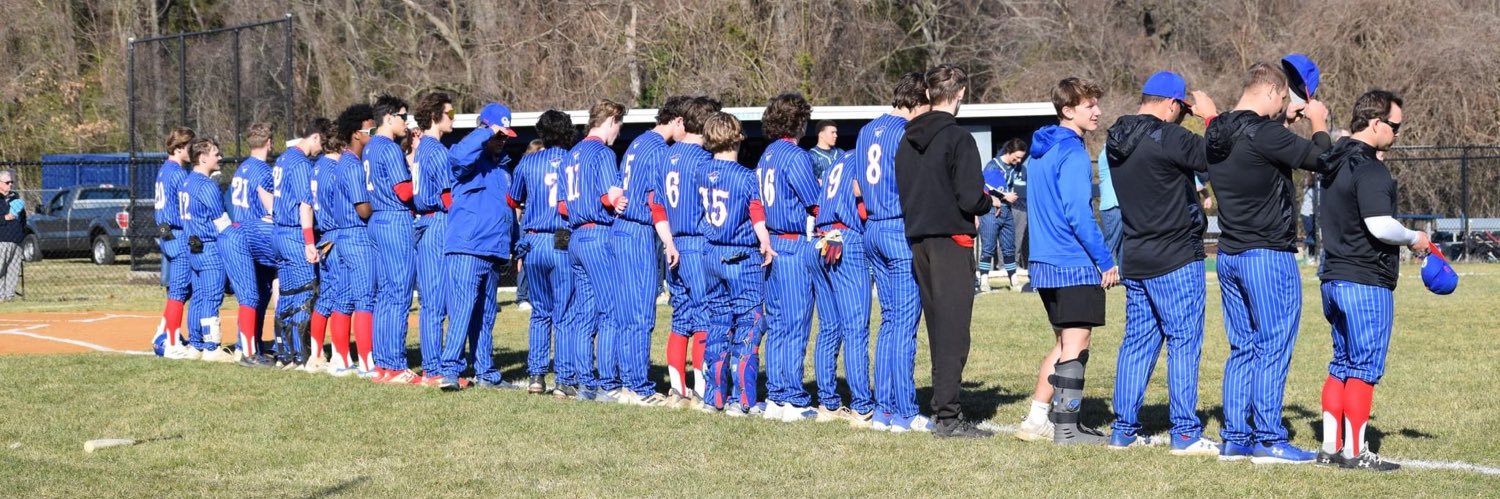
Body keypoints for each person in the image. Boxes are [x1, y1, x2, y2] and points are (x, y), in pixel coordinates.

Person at [1206, 61, 1332, 463]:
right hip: (1267, 255)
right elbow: (1322, 160)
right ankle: (1269, 436)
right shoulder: (1264, 131)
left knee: (1242, 347)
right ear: (1274, 91)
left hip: (1230, 254)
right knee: (1274, 345)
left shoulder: (1216, 130)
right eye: (1284, 100)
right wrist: (1319, 122)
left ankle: (1235, 436)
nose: (1285, 108)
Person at [1102, 71, 1222, 455]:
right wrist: (1211, 118)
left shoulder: (1114, 139)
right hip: (1176, 257)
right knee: (1184, 342)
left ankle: (1124, 428)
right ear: (1171, 104)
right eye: (1182, 111)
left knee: (1137, 342)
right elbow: (1217, 155)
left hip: (1136, 255)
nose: (1183, 117)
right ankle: (1185, 432)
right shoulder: (1169, 136)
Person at [1314, 90, 1418, 472]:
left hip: (1333, 278)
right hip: (1365, 281)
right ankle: (1355, 451)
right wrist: (1415, 238)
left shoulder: (1333, 161)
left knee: (1340, 363)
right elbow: (1380, 225)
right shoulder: (1370, 168)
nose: (1396, 134)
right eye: (1394, 126)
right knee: (1363, 368)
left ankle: (1330, 446)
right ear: (1376, 123)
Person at [894, 64, 994, 439]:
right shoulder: (958, 138)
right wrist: (986, 204)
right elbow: (970, 195)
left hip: (919, 239)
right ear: (960, 93)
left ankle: (942, 407)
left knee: (937, 327)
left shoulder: (905, 139)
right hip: (953, 239)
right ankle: (948, 417)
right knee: (954, 332)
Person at [1021, 77, 1118, 445]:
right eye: (1089, 105)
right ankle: (1067, 427)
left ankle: (1036, 419)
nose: (1097, 111)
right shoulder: (1073, 152)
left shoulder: (1041, 150)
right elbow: (1079, 212)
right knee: (1077, 344)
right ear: (1068, 110)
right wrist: (1105, 259)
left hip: (1044, 261)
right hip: (1071, 260)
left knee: (1064, 343)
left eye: (1096, 103)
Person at [853, 72, 930, 431]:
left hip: (872, 228)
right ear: (917, 102)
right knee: (904, 325)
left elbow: (857, 183)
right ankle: (905, 410)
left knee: (888, 323)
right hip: (899, 227)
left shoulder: (867, 130)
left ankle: (883, 408)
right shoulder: (907, 132)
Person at [436, 103, 520, 391]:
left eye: (505, 136)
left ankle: (486, 371)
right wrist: (485, 133)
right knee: (462, 310)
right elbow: (456, 157)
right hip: (467, 248)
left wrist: (513, 244)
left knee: (485, 315)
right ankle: (450, 370)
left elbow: (508, 211)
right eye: (499, 135)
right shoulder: (469, 161)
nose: (502, 140)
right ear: (484, 129)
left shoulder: (503, 169)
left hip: (493, 250)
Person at [697, 111, 776, 416]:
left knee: (718, 323)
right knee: (749, 323)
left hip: (711, 252)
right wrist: (765, 240)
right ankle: (743, 399)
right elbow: (755, 210)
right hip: (740, 254)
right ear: (738, 137)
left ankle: (714, 396)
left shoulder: (702, 172)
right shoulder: (744, 176)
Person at [613, 96, 688, 406]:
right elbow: (654, 199)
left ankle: (625, 379)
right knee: (642, 313)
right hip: (639, 229)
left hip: (620, 230)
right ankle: (639, 386)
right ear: (678, 121)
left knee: (626, 313)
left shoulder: (638, 141)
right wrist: (669, 238)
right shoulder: (660, 150)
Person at [556, 99, 630, 402]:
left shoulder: (571, 155)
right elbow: (609, 196)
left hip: (575, 237)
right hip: (598, 235)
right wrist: (622, 201)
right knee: (609, 310)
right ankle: (607, 383)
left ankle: (585, 382)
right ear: (611, 120)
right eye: (619, 125)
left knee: (583, 313)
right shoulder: (602, 152)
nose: (618, 133)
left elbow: (562, 207)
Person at [759, 92, 823, 423]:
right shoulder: (794, 155)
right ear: (799, 122)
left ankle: (776, 395)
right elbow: (815, 202)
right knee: (796, 324)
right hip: (792, 244)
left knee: (779, 325)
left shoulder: (767, 154)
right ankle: (794, 400)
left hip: (770, 244)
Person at [657, 96, 722, 407]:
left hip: (673, 241)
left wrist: (668, 242)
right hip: (697, 242)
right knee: (705, 315)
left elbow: (655, 205)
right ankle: (702, 387)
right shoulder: (704, 160)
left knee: (680, 316)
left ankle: (677, 387)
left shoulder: (668, 156)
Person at [510, 110, 577, 395]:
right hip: (562, 234)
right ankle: (563, 378)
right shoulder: (574, 160)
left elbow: (512, 198)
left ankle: (537, 376)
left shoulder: (528, 161)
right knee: (564, 310)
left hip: (535, 237)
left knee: (540, 311)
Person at [364, 94, 421, 384]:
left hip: (377, 219)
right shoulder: (387, 148)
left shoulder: (370, 147)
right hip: (394, 218)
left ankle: (384, 365)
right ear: (388, 117)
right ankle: (396, 365)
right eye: (402, 116)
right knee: (398, 295)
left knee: (385, 295)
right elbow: (404, 192)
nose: (406, 121)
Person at [321, 104, 379, 377]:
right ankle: (367, 362)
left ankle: (341, 359)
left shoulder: (341, 162)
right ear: (357, 133)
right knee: (365, 298)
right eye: (371, 129)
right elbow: (363, 209)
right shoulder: (352, 165)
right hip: (356, 235)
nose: (375, 133)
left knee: (342, 299)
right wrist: (380, 202)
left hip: (341, 236)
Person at [220, 123, 279, 367]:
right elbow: (271, 206)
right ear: (269, 143)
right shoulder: (263, 171)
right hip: (254, 236)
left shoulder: (242, 168)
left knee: (259, 293)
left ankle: (249, 343)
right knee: (252, 295)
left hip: (240, 231)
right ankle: (248, 349)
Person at [411, 92, 458, 386]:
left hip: (425, 222)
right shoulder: (437, 150)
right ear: (434, 116)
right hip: (438, 222)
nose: (452, 118)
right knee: (437, 300)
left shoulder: (421, 149)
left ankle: (432, 364)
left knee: (431, 299)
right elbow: (447, 196)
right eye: (449, 113)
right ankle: (435, 366)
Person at [270, 119, 326, 370]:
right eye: (321, 143)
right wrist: (309, 242)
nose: (321, 150)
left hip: (278, 233)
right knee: (305, 291)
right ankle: (303, 355)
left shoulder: (282, 159)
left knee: (287, 293)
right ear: (315, 137)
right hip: (294, 234)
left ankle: (284, 352)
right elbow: (306, 205)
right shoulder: (302, 164)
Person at [178, 137, 236, 363]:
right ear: (202, 158)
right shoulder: (206, 185)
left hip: (193, 247)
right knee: (211, 297)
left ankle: (196, 344)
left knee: (199, 297)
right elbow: (221, 222)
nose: (220, 157)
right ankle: (212, 347)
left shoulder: (187, 182)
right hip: (209, 246)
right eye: (215, 153)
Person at [154, 127, 197, 359]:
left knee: (179, 288)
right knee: (179, 290)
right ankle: (171, 343)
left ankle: (163, 332)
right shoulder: (179, 173)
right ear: (179, 147)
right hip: (178, 233)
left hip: (167, 233)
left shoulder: (164, 169)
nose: (193, 151)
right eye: (190, 146)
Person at [978, 139, 1026, 292]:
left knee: (1009, 247)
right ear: (1009, 151)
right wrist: (1004, 196)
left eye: (1021, 158)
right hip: (991, 211)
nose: (1018, 161)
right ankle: (984, 280)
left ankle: (1013, 280)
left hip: (1007, 211)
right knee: (988, 246)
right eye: (1016, 157)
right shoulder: (993, 166)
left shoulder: (1016, 168)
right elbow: (985, 188)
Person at [0, 170, 26, 301]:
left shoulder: (15, 199)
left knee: (13, 271)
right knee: (1, 269)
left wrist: (22, 234)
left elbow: (23, 219)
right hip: (2, 240)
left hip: (16, 240)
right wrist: (5, 217)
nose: (10, 185)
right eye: (7, 182)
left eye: (11, 182)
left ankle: (9, 297)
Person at [1096, 148, 1121, 267]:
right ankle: (1105, 271)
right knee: (1110, 245)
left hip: (1118, 204)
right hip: (1112, 205)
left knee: (1122, 246)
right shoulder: (1109, 150)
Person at [1301, 174, 1318, 263]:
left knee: (1313, 236)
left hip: (1313, 214)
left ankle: (1312, 256)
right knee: (1310, 234)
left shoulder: (1316, 189)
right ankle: (1306, 244)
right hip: (1307, 214)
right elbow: (1309, 180)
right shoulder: (1308, 189)